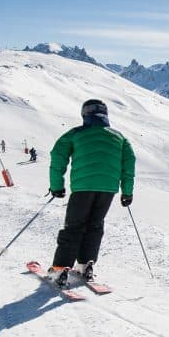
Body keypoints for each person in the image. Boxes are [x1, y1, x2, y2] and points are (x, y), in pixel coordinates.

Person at [47, 99, 135, 287]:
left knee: (74, 225)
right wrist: (127, 192)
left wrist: (56, 186)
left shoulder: (76, 134)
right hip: (108, 189)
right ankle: (85, 264)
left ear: (84, 114)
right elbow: (129, 164)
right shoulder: (119, 137)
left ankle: (61, 268)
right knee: (95, 225)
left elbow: (58, 156)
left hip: (82, 187)